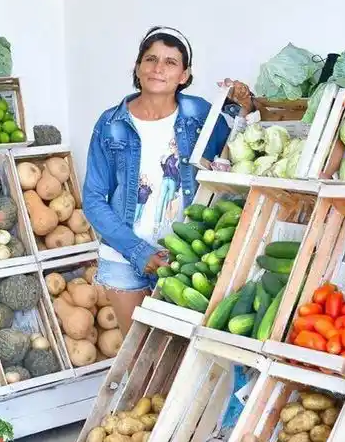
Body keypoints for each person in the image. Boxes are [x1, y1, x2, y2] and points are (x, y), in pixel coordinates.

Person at [84, 26, 253, 335]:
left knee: (179, 353)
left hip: (187, 257)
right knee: (135, 353)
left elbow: (234, 153)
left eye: (170, 62)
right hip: (124, 257)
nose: (158, 68)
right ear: (138, 67)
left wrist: (243, 104)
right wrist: (138, 252)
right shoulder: (110, 123)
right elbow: (94, 199)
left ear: (184, 75)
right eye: (150, 59)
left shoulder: (199, 113)